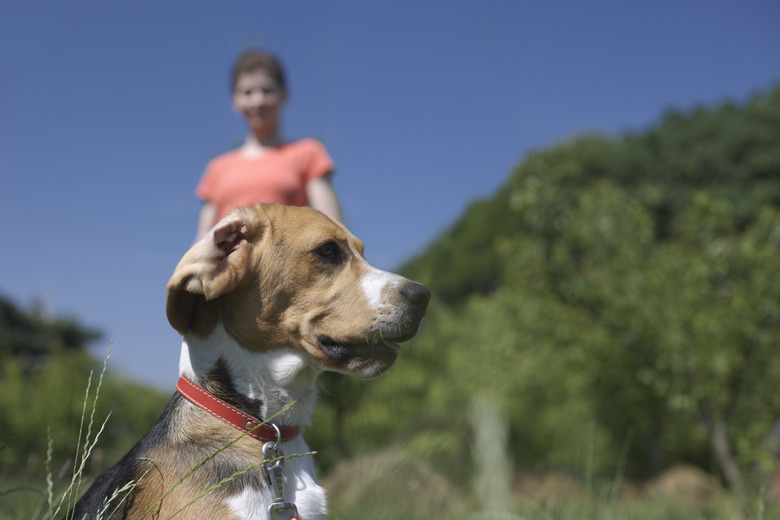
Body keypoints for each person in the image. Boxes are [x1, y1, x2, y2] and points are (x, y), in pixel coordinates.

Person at [195, 50, 342, 239]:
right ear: (235, 101)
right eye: (247, 92)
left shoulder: (308, 152)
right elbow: (202, 238)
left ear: (284, 94)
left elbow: (332, 227)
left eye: (267, 90)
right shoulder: (217, 167)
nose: (258, 100)